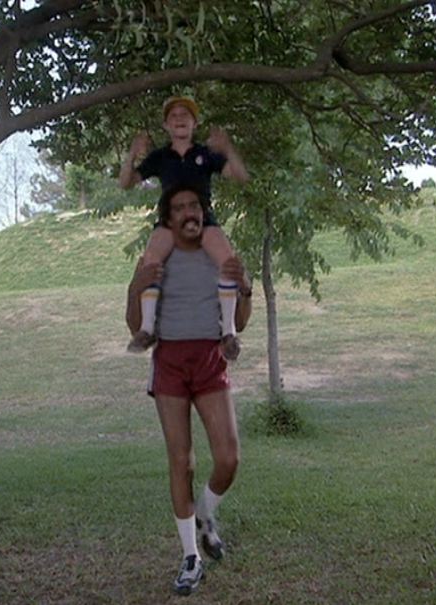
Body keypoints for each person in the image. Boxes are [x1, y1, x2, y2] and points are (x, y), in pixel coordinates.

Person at [126, 183, 253, 596]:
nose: (188, 212)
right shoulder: (156, 257)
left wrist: (246, 286)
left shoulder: (219, 253)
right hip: (170, 362)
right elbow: (134, 324)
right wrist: (135, 285)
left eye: (194, 205)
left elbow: (241, 320)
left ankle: (205, 513)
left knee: (229, 458)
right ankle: (190, 557)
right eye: (179, 207)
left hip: (210, 359)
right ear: (168, 218)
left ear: (203, 212)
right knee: (181, 462)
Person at [120, 96, 249, 360]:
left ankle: (229, 331)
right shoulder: (160, 157)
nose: (179, 119)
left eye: (185, 115)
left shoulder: (205, 154)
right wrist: (132, 153)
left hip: (203, 219)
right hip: (170, 220)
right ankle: (146, 328)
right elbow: (126, 182)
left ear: (195, 123)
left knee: (228, 261)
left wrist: (227, 148)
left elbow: (241, 176)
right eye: (173, 116)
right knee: (150, 260)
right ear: (166, 125)